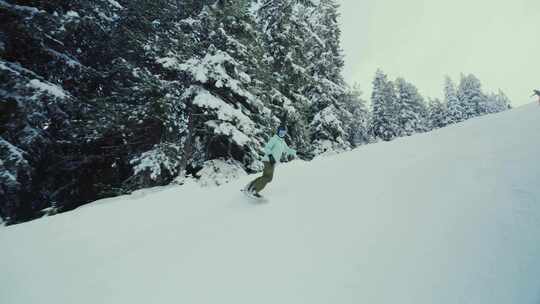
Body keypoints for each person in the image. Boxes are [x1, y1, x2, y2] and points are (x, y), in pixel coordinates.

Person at [244, 126, 297, 198]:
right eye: (281, 132)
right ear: (278, 131)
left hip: (272, 162)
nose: (282, 134)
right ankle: (254, 190)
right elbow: (267, 148)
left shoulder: (282, 142)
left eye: (283, 133)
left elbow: (287, 150)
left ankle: (250, 187)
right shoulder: (274, 139)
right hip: (269, 160)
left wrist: (296, 152)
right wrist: (270, 156)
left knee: (266, 176)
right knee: (268, 177)